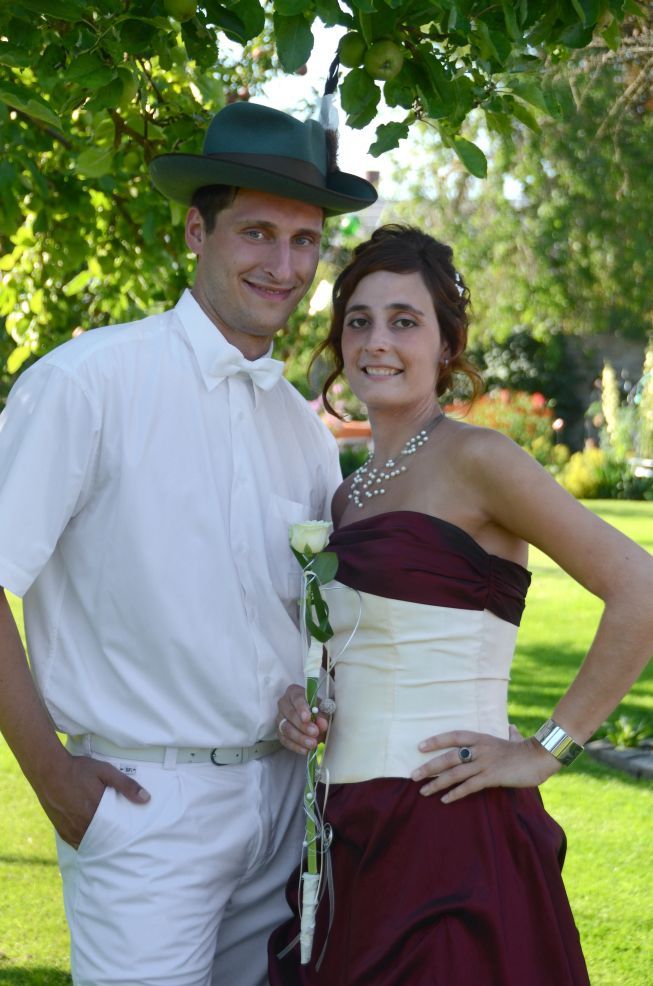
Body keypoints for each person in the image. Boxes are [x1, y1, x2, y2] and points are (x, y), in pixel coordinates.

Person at [0, 101, 377, 986]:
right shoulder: (87, 383)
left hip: (279, 805)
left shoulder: (301, 428)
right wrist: (53, 779)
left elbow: (290, 616)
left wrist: (302, 697)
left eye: (305, 240)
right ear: (196, 232)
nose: (284, 265)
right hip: (142, 804)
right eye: (257, 233)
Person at [270, 225, 653, 985]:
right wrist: (306, 704)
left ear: (447, 344)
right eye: (359, 320)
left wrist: (545, 750)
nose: (377, 341)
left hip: (448, 830)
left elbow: (639, 589)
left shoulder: (481, 459)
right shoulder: (348, 494)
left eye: (404, 321)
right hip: (347, 833)